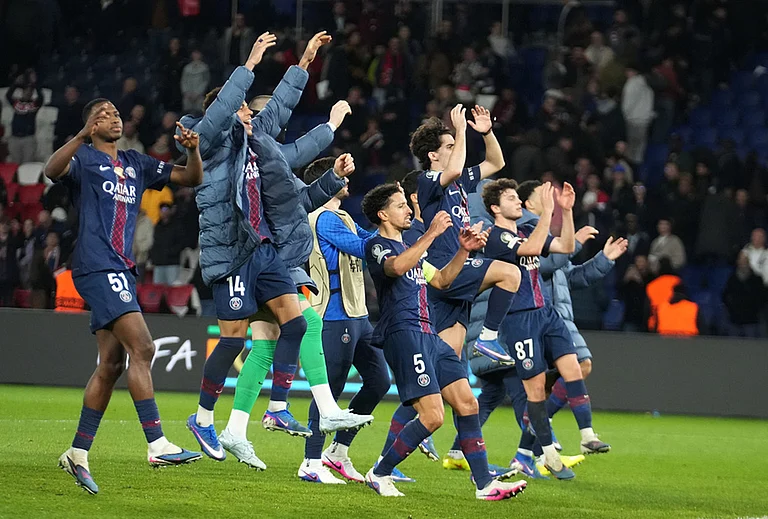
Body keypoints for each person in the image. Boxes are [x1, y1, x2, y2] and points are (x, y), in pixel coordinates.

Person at [179, 33, 371, 468]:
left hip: (262, 250)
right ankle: (204, 419)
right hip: (229, 254)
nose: (253, 114)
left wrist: (304, 60)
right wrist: (249, 60)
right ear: (228, 112)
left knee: (298, 323)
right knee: (233, 342)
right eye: (245, 108)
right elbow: (226, 108)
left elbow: (285, 116)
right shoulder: (206, 141)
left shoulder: (256, 145)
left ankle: (279, 407)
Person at [43, 98, 204, 494]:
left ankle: (77, 453)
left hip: (123, 269)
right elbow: (51, 171)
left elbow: (190, 179)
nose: (114, 118)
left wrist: (193, 150)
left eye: (116, 113)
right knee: (144, 348)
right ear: (91, 126)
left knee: (111, 364)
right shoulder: (84, 160)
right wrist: (80, 137)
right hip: (97, 265)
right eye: (104, 115)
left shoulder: (136, 163)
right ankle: (157, 443)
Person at [361, 183, 527, 500]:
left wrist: (463, 249)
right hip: (405, 334)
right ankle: (380, 473)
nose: (408, 210)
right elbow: (396, 268)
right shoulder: (377, 245)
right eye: (399, 206)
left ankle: (484, 486)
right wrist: (431, 235)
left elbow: (441, 280)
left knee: (468, 403)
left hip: (429, 334)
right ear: (383, 215)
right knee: (433, 417)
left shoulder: (414, 249)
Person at [480, 178, 610, 479]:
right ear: (495, 208)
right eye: (510, 198)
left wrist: (565, 211)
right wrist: (546, 213)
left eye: (516, 197)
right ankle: (548, 452)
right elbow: (531, 248)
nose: (516, 201)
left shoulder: (527, 229)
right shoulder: (496, 238)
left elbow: (564, 247)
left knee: (575, 367)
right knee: (535, 389)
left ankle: (587, 435)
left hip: (545, 313)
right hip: (518, 320)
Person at [298, 157, 392, 483]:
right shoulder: (322, 218)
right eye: (339, 175)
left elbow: (368, 238)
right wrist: (390, 237)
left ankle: (337, 453)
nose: (347, 178)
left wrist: (396, 235)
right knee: (330, 391)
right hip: (334, 315)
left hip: (358, 315)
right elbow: (362, 246)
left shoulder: (342, 216)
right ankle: (311, 463)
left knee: (380, 381)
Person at [515, 180, 628, 435]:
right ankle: (539, 436)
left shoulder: (551, 237)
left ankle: (535, 440)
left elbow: (571, 277)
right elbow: (543, 266)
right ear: (528, 204)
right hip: (538, 318)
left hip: (559, 318)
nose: (550, 202)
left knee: (568, 373)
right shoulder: (522, 232)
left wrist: (603, 260)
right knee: (561, 375)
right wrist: (573, 243)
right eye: (544, 195)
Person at [412, 106, 520, 364]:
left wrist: (487, 133)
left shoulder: (461, 183)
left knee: (448, 364)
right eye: (449, 146)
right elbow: (454, 171)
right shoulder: (427, 180)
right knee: (510, 273)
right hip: (444, 267)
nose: (457, 148)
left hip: (459, 266)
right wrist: (460, 129)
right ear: (433, 155)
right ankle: (488, 337)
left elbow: (496, 162)